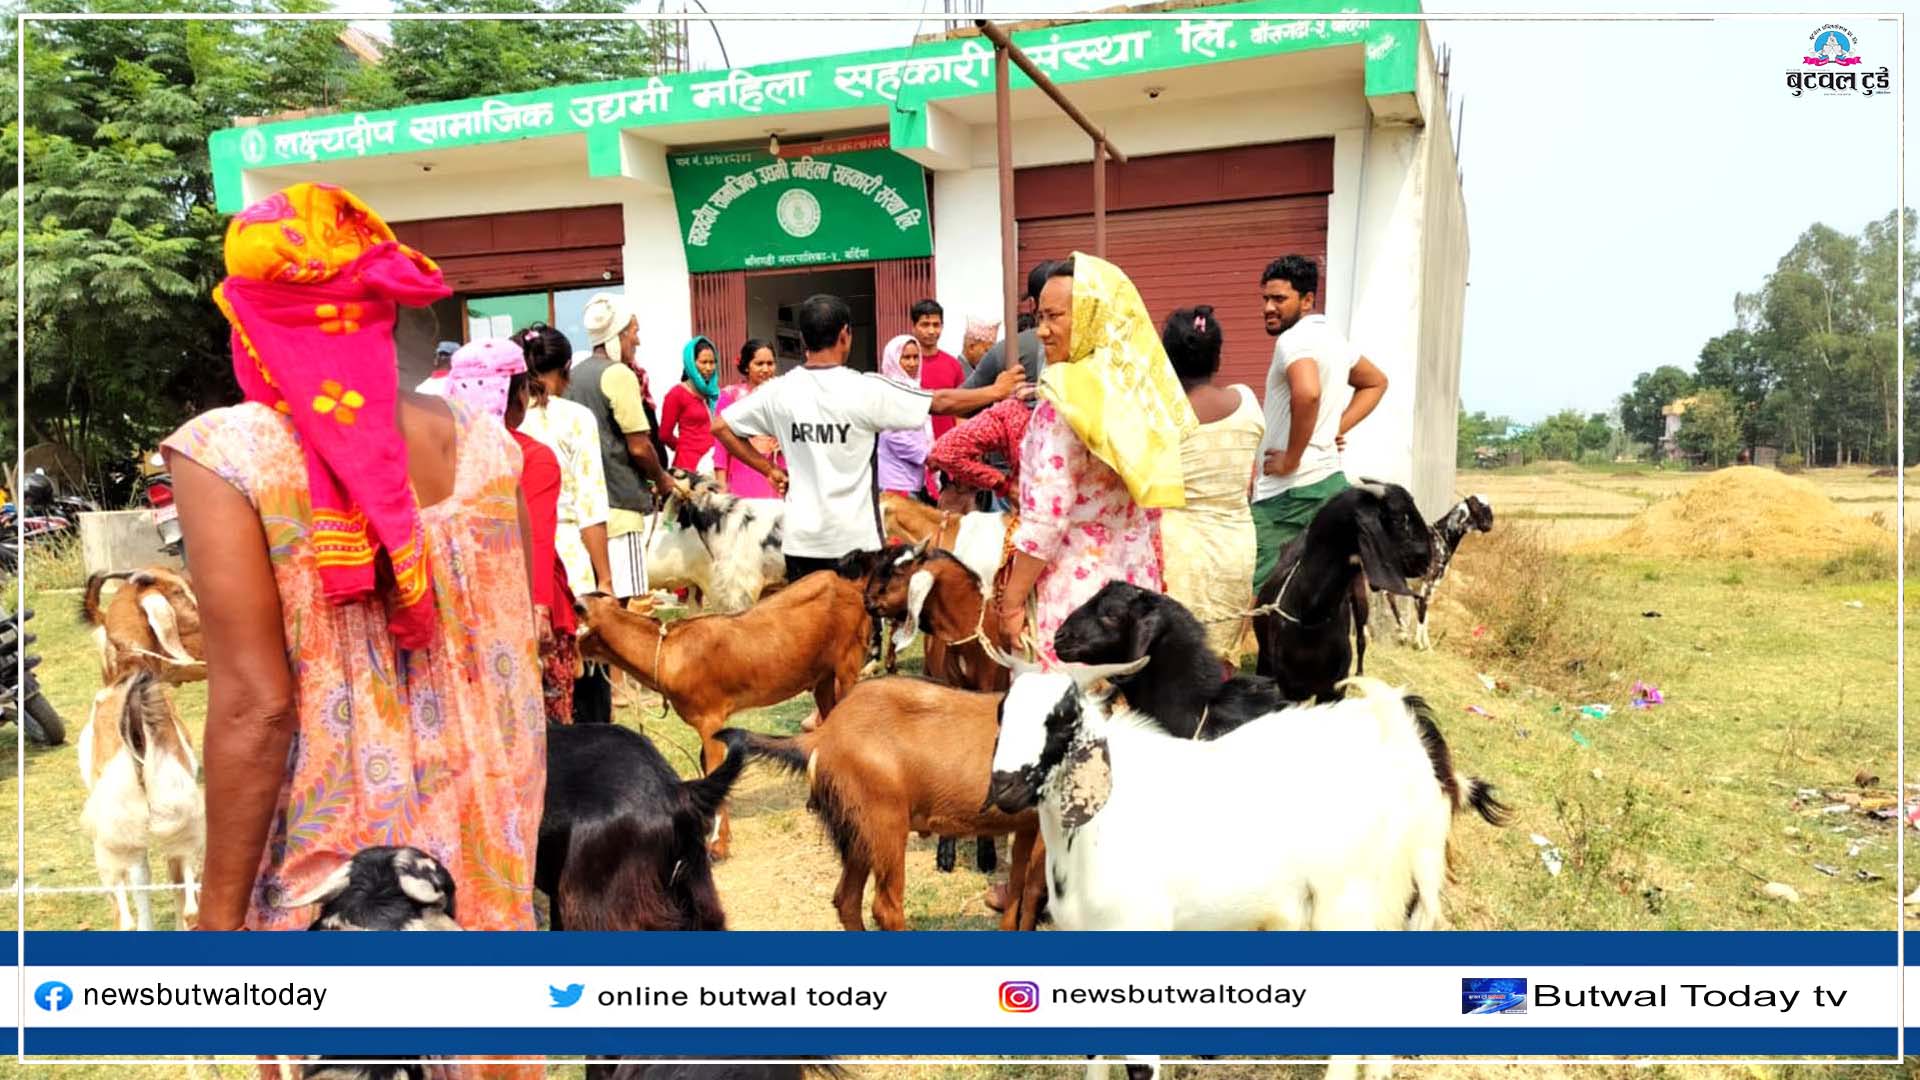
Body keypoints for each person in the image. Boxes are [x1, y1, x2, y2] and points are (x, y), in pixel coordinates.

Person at [165, 184, 546, 968]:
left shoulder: (226, 455)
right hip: (485, 842)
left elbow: (256, 708)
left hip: (335, 875)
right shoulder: (488, 446)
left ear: (257, 319)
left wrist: (216, 927)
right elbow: (510, 659)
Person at [711, 293, 1026, 584]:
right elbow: (940, 401)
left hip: (800, 542)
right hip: (855, 544)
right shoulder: (865, 389)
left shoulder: (779, 391)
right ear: (845, 334)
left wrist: (769, 470)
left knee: (813, 625)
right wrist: (995, 391)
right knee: (858, 626)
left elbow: (721, 427)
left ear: (804, 338)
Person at [995, 255, 1198, 667]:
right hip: (1134, 586)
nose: (1042, 330)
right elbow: (1152, 504)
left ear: (1092, 316)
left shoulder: (1065, 397)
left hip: (1076, 597)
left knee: (1068, 703)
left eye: (1054, 316)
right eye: (1039, 316)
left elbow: (1048, 518)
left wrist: (1011, 603)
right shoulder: (1136, 391)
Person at [434, 338, 579, 724]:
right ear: (515, 396)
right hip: (523, 610)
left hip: (455, 617)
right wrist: (539, 608)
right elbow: (538, 537)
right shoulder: (531, 457)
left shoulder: (435, 454)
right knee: (546, 738)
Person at [1250, 254, 1390, 587]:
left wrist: (1290, 458)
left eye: (1279, 299)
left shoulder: (1293, 340)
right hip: (1329, 485)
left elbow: (1308, 393)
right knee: (1323, 586)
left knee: (1259, 588)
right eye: (1265, 298)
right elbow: (1376, 382)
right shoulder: (1333, 339)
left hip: (1287, 495)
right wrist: (1332, 429)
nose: (1268, 307)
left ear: (1307, 300)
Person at [514, 323, 615, 726]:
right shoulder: (575, 418)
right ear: (566, 367)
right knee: (586, 693)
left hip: (516, 564)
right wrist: (605, 580)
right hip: (567, 565)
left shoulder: (502, 418)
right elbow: (591, 505)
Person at [1157, 305, 1265, 665]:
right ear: (1217, 357)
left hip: (1177, 550)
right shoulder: (1247, 402)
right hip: (1236, 546)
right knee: (1218, 658)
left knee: (1173, 657)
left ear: (1166, 359)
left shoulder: (1160, 416)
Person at [566, 292, 689, 606]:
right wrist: (662, 479)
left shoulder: (573, 376)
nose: (638, 340)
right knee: (628, 606)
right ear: (618, 334)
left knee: (595, 604)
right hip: (620, 505)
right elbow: (639, 447)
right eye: (634, 332)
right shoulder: (619, 374)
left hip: (585, 511)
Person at [927, 395, 1032, 508]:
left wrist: (1005, 486)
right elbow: (947, 451)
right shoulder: (1014, 410)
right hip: (1014, 488)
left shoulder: (1013, 409)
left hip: (1020, 492)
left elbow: (947, 451)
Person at [713, 338, 783, 498]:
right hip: (743, 471)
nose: (766, 369)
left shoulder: (782, 396)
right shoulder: (730, 396)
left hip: (777, 472)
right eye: (759, 364)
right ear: (746, 366)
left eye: (770, 363)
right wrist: (721, 486)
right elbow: (721, 446)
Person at [876, 334, 934, 499]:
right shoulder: (889, 391)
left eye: (916, 357)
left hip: (911, 477)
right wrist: (926, 455)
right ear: (894, 360)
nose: (913, 363)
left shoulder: (913, 388)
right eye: (906, 358)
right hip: (896, 480)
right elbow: (892, 436)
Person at [659, 335, 719, 472]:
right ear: (691, 363)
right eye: (703, 362)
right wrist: (684, 449)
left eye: (712, 362)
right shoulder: (677, 394)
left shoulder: (714, 394)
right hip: (689, 466)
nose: (709, 367)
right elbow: (664, 434)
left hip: (713, 463)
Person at [910, 299, 969, 440]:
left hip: (948, 445)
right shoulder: (905, 365)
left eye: (936, 325)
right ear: (913, 327)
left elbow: (961, 410)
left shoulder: (953, 365)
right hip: (914, 446)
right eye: (925, 325)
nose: (931, 331)